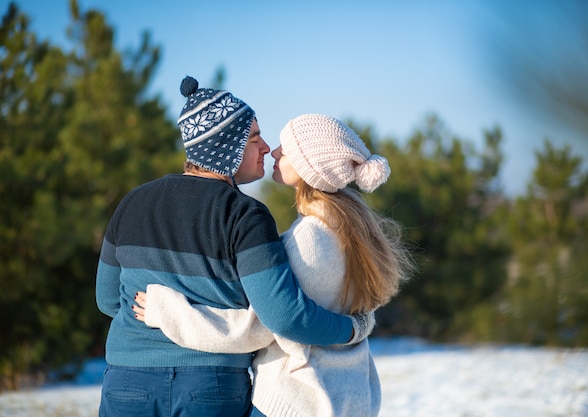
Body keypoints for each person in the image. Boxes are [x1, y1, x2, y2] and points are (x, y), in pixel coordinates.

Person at [95, 78, 374, 417]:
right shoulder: (245, 214)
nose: (266, 147)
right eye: (254, 137)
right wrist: (353, 328)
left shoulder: (133, 202)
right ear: (227, 146)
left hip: (128, 381)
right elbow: (284, 315)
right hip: (211, 386)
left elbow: (108, 300)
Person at [132, 114, 414, 417]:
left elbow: (263, 326)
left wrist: (168, 313)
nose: (275, 152)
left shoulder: (310, 239)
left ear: (309, 166)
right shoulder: (350, 226)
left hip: (300, 399)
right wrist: (358, 328)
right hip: (347, 393)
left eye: (287, 148)